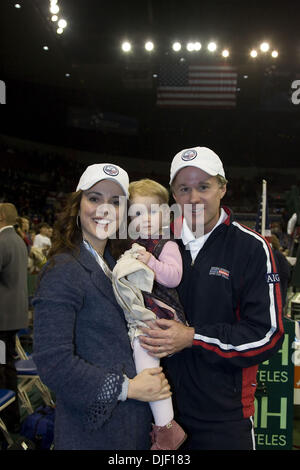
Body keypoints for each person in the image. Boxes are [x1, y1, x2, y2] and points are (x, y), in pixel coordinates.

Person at [139, 147, 284, 450]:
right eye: (184, 188)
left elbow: (267, 334)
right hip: (158, 413)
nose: (193, 198)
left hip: (223, 419)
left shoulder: (252, 248)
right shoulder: (154, 242)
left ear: (222, 188)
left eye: (203, 187)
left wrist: (193, 337)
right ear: (173, 195)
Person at [32, 163, 171, 450]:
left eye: (115, 202)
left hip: (129, 429)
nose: (104, 210)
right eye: (94, 198)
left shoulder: (115, 263)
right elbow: (53, 363)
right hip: (92, 435)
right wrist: (129, 388)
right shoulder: (64, 269)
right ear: (77, 204)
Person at [113, 179, 187, 450]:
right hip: (140, 316)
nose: (145, 219)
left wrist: (151, 262)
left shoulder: (166, 245)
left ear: (166, 215)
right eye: (137, 213)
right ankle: (155, 424)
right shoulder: (132, 244)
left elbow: (174, 277)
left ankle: (167, 428)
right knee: (138, 361)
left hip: (161, 318)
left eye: (152, 212)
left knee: (146, 361)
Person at [0, 203, 28, 432]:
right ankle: (11, 418)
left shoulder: (2, 241)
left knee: (1, 368)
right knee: (6, 366)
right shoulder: (18, 240)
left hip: (1, 320)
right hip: (13, 318)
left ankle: (7, 420)